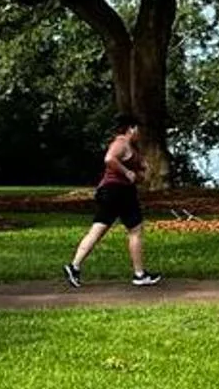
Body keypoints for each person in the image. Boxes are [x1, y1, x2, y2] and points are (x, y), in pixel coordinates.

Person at [66, 119, 159, 287]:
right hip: (118, 191)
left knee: (98, 229)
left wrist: (140, 171)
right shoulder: (121, 143)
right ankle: (139, 274)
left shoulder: (131, 147)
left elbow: (139, 171)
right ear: (131, 128)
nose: (140, 134)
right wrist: (127, 172)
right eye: (138, 129)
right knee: (135, 230)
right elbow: (109, 159)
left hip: (113, 191)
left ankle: (74, 266)